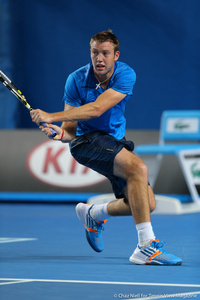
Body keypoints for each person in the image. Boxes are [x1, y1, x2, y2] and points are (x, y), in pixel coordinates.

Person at [30, 30, 182, 265]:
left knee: (146, 204)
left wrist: (50, 116)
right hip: (85, 142)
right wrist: (57, 132)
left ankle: (93, 213)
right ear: (89, 54)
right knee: (137, 168)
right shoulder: (75, 80)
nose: (99, 58)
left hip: (114, 142)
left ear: (116, 55)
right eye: (95, 53)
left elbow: (97, 109)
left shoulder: (126, 74)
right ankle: (146, 247)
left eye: (105, 53)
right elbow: (69, 131)